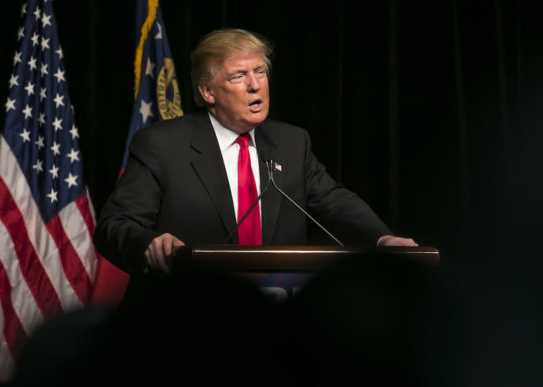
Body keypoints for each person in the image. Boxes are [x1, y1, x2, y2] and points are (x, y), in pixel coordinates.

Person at [93, 28, 416, 278]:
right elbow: (115, 225)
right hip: (190, 316)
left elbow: (333, 200)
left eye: (260, 72)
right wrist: (149, 243)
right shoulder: (162, 144)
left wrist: (382, 240)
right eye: (238, 76)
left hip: (277, 318)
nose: (255, 85)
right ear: (207, 92)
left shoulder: (291, 141)